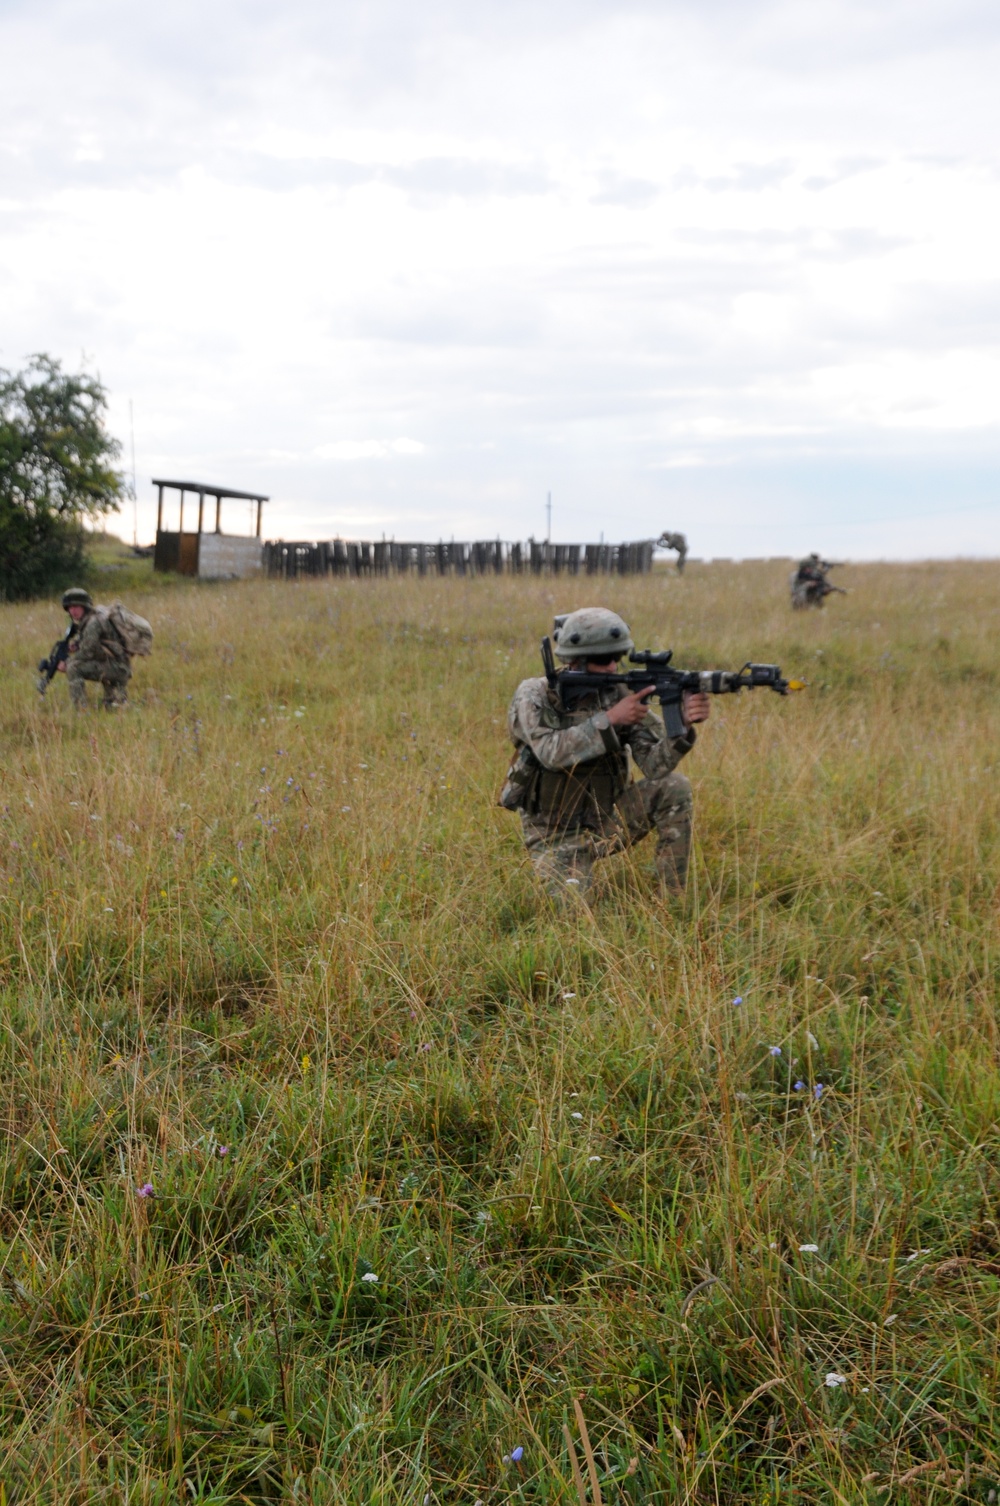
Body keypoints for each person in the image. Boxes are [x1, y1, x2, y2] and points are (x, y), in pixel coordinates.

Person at [503, 607, 711, 902]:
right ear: (574, 660)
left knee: (675, 787)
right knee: (575, 915)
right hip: (553, 834)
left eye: (617, 657)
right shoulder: (535, 695)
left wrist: (682, 729)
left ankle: (673, 902)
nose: (613, 667)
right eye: (603, 660)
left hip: (607, 822)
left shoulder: (620, 693)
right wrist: (610, 720)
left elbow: (654, 766)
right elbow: (549, 752)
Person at [58, 588, 132, 709]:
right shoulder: (94, 618)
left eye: (76, 606)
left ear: (85, 606)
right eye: (70, 608)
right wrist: (77, 645)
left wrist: (66, 663)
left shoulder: (93, 623)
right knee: (113, 706)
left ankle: (79, 708)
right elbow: (96, 646)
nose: (73, 611)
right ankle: (116, 698)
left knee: (73, 667)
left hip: (117, 668)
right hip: (119, 666)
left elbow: (88, 652)